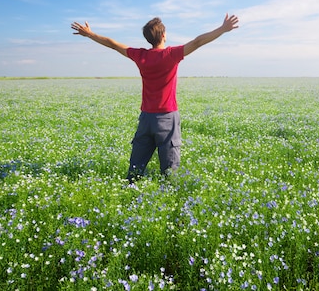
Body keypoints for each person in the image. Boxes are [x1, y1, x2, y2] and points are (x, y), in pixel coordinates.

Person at [71, 14, 239, 182]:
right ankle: (169, 194)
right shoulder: (171, 55)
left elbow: (113, 45)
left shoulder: (141, 56)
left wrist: (90, 34)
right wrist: (222, 29)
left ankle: (131, 191)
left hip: (146, 119)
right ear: (164, 35)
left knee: (136, 168)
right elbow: (197, 42)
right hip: (167, 118)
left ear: (147, 39)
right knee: (169, 171)